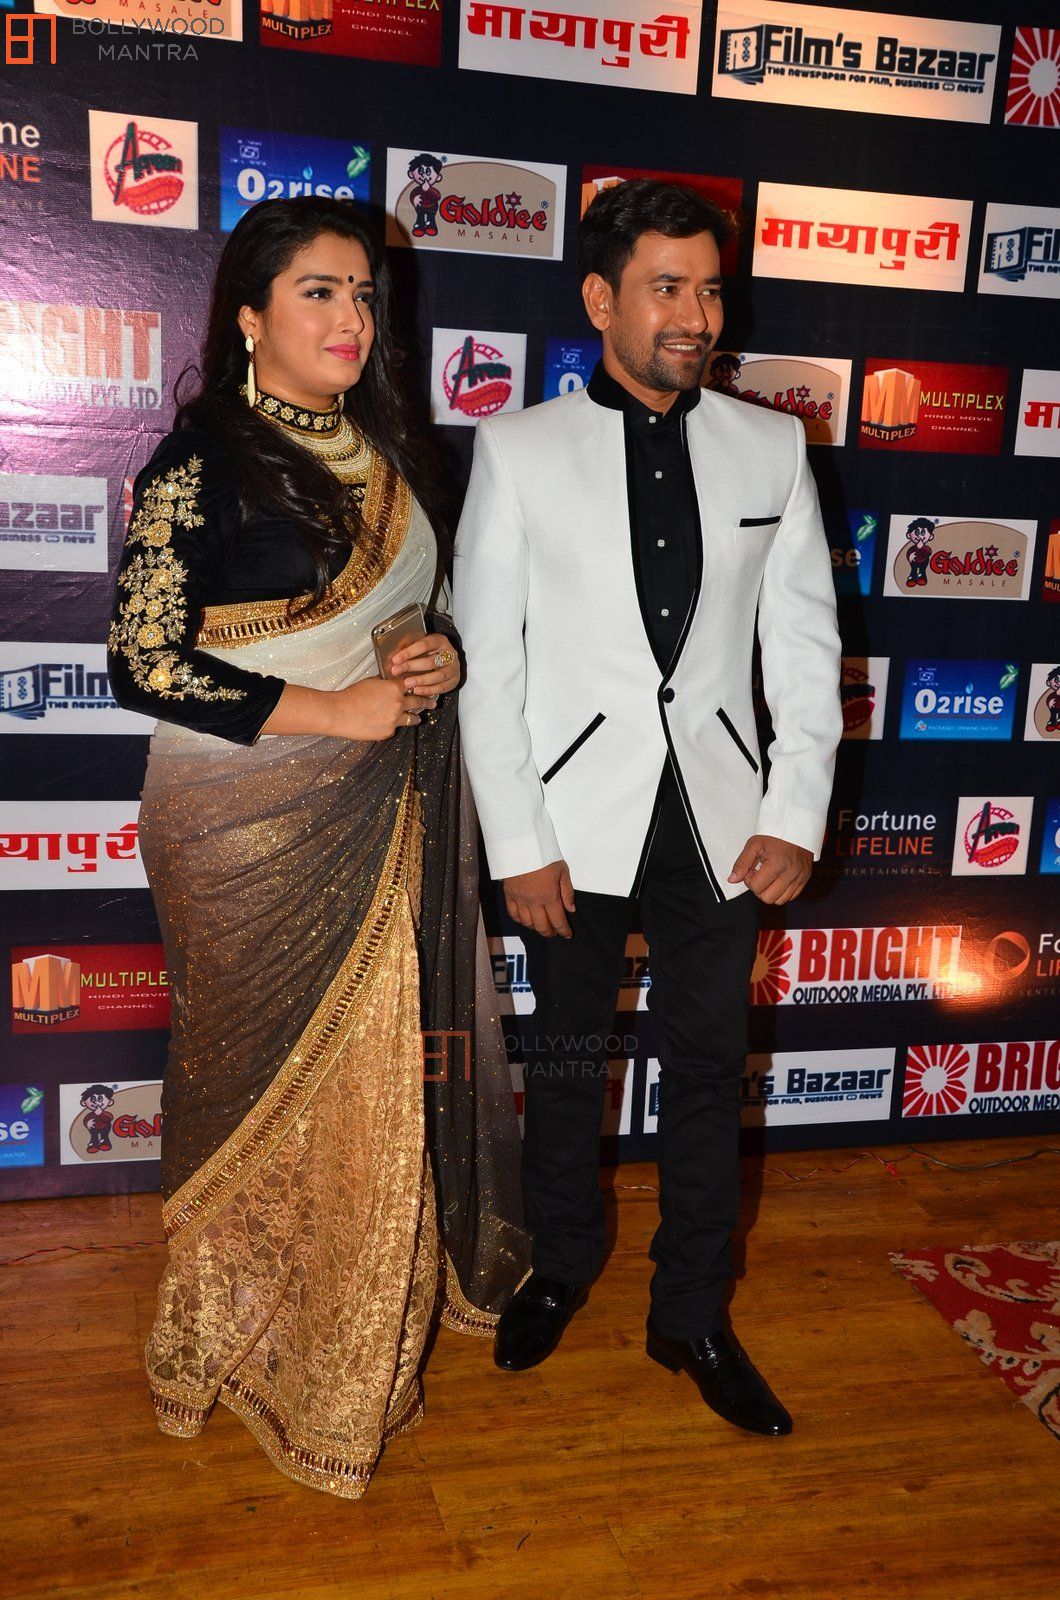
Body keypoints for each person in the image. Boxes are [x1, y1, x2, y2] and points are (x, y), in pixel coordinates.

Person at [107, 196, 530, 1498]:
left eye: (363, 294)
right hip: (235, 826)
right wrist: (334, 707)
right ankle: (226, 1338)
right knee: (249, 1086)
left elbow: (421, 624)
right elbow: (143, 660)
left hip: (372, 815)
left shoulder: (393, 456)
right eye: (318, 292)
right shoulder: (202, 462)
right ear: (248, 316)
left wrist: (430, 653)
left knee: (365, 1088)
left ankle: (341, 1355)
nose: (352, 318)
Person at [453, 179, 842, 1437]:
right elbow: (489, 666)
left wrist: (795, 809)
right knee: (569, 1065)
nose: (694, 315)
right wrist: (519, 840)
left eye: (709, 289)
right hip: (571, 822)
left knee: (710, 1071)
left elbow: (802, 648)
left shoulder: (771, 447)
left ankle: (691, 1313)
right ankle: (561, 1265)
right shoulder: (517, 451)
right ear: (598, 299)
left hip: (724, 824)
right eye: (666, 287)